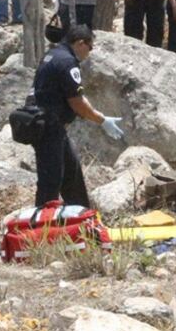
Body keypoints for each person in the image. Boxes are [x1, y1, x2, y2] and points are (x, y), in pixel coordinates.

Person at [30, 25, 124, 207]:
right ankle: (42, 227)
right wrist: (101, 120)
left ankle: (81, 215)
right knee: (51, 181)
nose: (90, 52)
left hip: (52, 126)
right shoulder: (67, 62)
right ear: (81, 43)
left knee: (72, 174)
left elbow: (71, 94)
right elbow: (77, 103)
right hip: (49, 126)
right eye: (90, 47)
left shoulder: (53, 54)